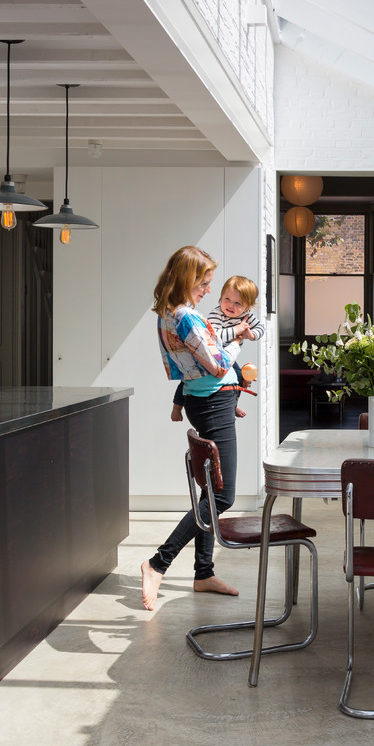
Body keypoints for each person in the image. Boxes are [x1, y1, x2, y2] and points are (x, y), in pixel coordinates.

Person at [141, 246, 256, 611]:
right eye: (203, 283)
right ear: (187, 280)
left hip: (201, 399)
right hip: (210, 403)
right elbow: (219, 364)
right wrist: (239, 337)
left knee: (211, 493)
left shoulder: (166, 313)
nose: (208, 290)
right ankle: (158, 562)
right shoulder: (187, 317)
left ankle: (204, 573)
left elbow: (191, 367)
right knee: (223, 496)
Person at [170, 275, 264, 422]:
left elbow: (261, 328)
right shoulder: (217, 314)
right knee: (187, 380)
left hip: (229, 359)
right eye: (227, 299)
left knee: (239, 377)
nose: (231, 305)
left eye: (238, 303)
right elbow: (214, 336)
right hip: (212, 355)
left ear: (248, 306)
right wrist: (236, 331)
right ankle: (177, 407)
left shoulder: (247, 316)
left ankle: (233, 405)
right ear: (221, 298)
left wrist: (251, 335)